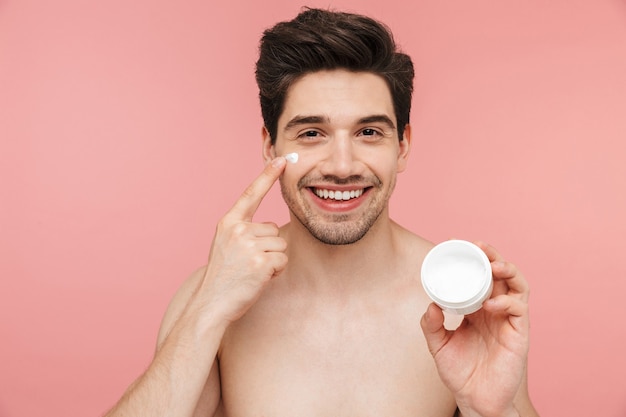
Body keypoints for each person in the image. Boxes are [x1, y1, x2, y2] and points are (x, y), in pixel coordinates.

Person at [105, 8, 539, 417]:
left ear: (402, 146)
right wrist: (206, 311)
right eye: (312, 133)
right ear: (270, 145)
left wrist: (497, 410)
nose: (342, 166)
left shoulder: (460, 302)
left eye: (369, 132)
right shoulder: (214, 299)